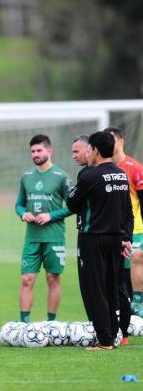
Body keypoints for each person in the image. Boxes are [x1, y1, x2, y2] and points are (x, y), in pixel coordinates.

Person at [67, 131, 133, 350]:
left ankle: (104, 340)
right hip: (117, 239)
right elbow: (128, 211)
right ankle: (112, 335)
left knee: (94, 289)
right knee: (111, 288)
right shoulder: (121, 174)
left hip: (92, 239)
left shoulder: (89, 176)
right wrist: (127, 238)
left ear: (94, 150)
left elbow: (72, 203)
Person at [15, 134, 72, 323]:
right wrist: (23, 214)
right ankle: (24, 323)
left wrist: (51, 215)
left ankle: (51, 323)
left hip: (54, 237)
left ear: (49, 151)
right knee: (27, 280)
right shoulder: (26, 177)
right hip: (31, 238)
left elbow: (72, 206)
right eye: (33, 151)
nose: (36, 154)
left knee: (52, 279)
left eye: (39, 150)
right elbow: (19, 205)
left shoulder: (61, 177)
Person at [104, 127, 143, 314]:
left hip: (134, 230)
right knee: (115, 274)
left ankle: (136, 306)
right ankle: (121, 311)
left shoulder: (135, 168)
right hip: (110, 231)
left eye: (112, 139)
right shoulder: (102, 169)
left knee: (130, 269)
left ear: (121, 141)